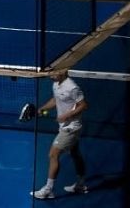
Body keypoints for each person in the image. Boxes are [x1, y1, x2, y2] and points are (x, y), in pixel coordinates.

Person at [31, 66, 89, 200]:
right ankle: (81, 184)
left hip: (71, 127)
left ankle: (48, 190)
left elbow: (83, 105)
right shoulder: (56, 84)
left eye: (54, 73)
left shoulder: (72, 87)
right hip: (65, 126)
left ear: (63, 72)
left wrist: (66, 115)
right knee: (75, 154)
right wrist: (42, 108)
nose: (51, 76)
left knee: (53, 155)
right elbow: (56, 99)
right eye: (50, 73)